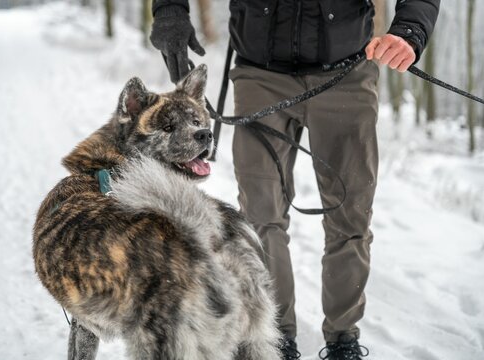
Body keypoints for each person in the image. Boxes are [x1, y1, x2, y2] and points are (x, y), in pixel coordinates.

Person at [150, 1, 440, 359]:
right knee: (260, 218)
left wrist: (410, 29)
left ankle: (343, 341)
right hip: (259, 74)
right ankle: (273, 338)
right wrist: (169, 12)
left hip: (347, 70)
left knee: (350, 218)